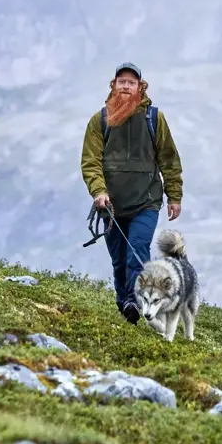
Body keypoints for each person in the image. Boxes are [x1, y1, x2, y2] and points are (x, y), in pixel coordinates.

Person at [81, 62, 184, 324]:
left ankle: (136, 301)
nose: (126, 86)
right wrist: (99, 191)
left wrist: (174, 196)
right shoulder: (99, 120)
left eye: (131, 82)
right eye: (121, 81)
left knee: (137, 248)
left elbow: (168, 159)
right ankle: (125, 302)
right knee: (119, 260)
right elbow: (90, 161)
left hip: (146, 202)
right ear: (114, 86)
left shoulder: (154, 119)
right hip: (111, 205)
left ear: (140, 87)